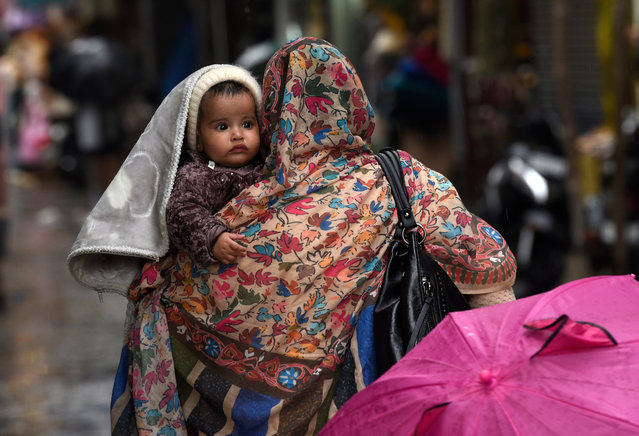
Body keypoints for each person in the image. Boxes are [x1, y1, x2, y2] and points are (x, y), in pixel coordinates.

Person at [69, 38, 516, 435]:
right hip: (381, 394)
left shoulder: (249, 206)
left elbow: (166, 288)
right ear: (355, 99)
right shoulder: (403, 178)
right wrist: (507, 364)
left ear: (274, 112)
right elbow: (486, 265)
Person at [166, 67, 263, 265]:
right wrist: (213, 237)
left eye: (247, 124)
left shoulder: (266, 167)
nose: (237, 135)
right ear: (199, 139)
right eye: (222, 127)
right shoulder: (196, 176)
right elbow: (182, 212)